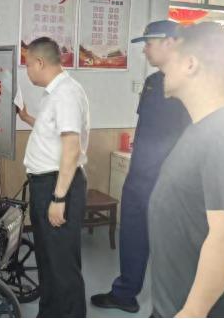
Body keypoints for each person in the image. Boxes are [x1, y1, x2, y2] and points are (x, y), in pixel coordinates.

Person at [149, 22, 224, 317]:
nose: (162, 67)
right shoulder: (204, 127)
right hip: (175, 304)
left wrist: (192, 312)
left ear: (191, 64)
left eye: (171, 57)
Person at [91, 20, 191, 313]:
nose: (145, 50)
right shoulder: (153, 81)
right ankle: (125, 293)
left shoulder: (188, 83)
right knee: (132, 235)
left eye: (149, 43)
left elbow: (191, 137)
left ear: (170, 42)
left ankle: (171, 308)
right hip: (140, 176)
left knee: (169, 246)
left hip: (167, 181)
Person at [17, 36, 90, 317]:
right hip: (47, 184)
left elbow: (71, 147)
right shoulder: (55, 93)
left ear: (39, 62)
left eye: (27, 65)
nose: (27, 70)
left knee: (61, 264)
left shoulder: (65, 93)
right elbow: (54, 132)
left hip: (58, 185)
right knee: (47, 259)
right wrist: (27, 118)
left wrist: (59, 198)